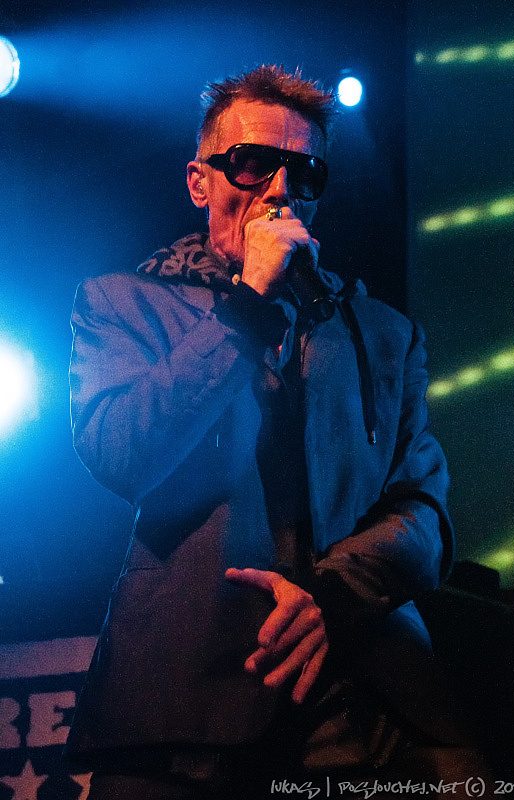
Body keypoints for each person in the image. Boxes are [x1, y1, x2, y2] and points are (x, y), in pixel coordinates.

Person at [65, 65, 486, 799]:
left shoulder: (384, 334)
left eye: (304, 171)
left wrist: (331, 597)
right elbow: (123, 453)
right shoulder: (122, 303)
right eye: (253, 162)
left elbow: (424, 511)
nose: (278, 190)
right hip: (181, 705)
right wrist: (248, 303)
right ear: (200, 182)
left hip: (358, 702)